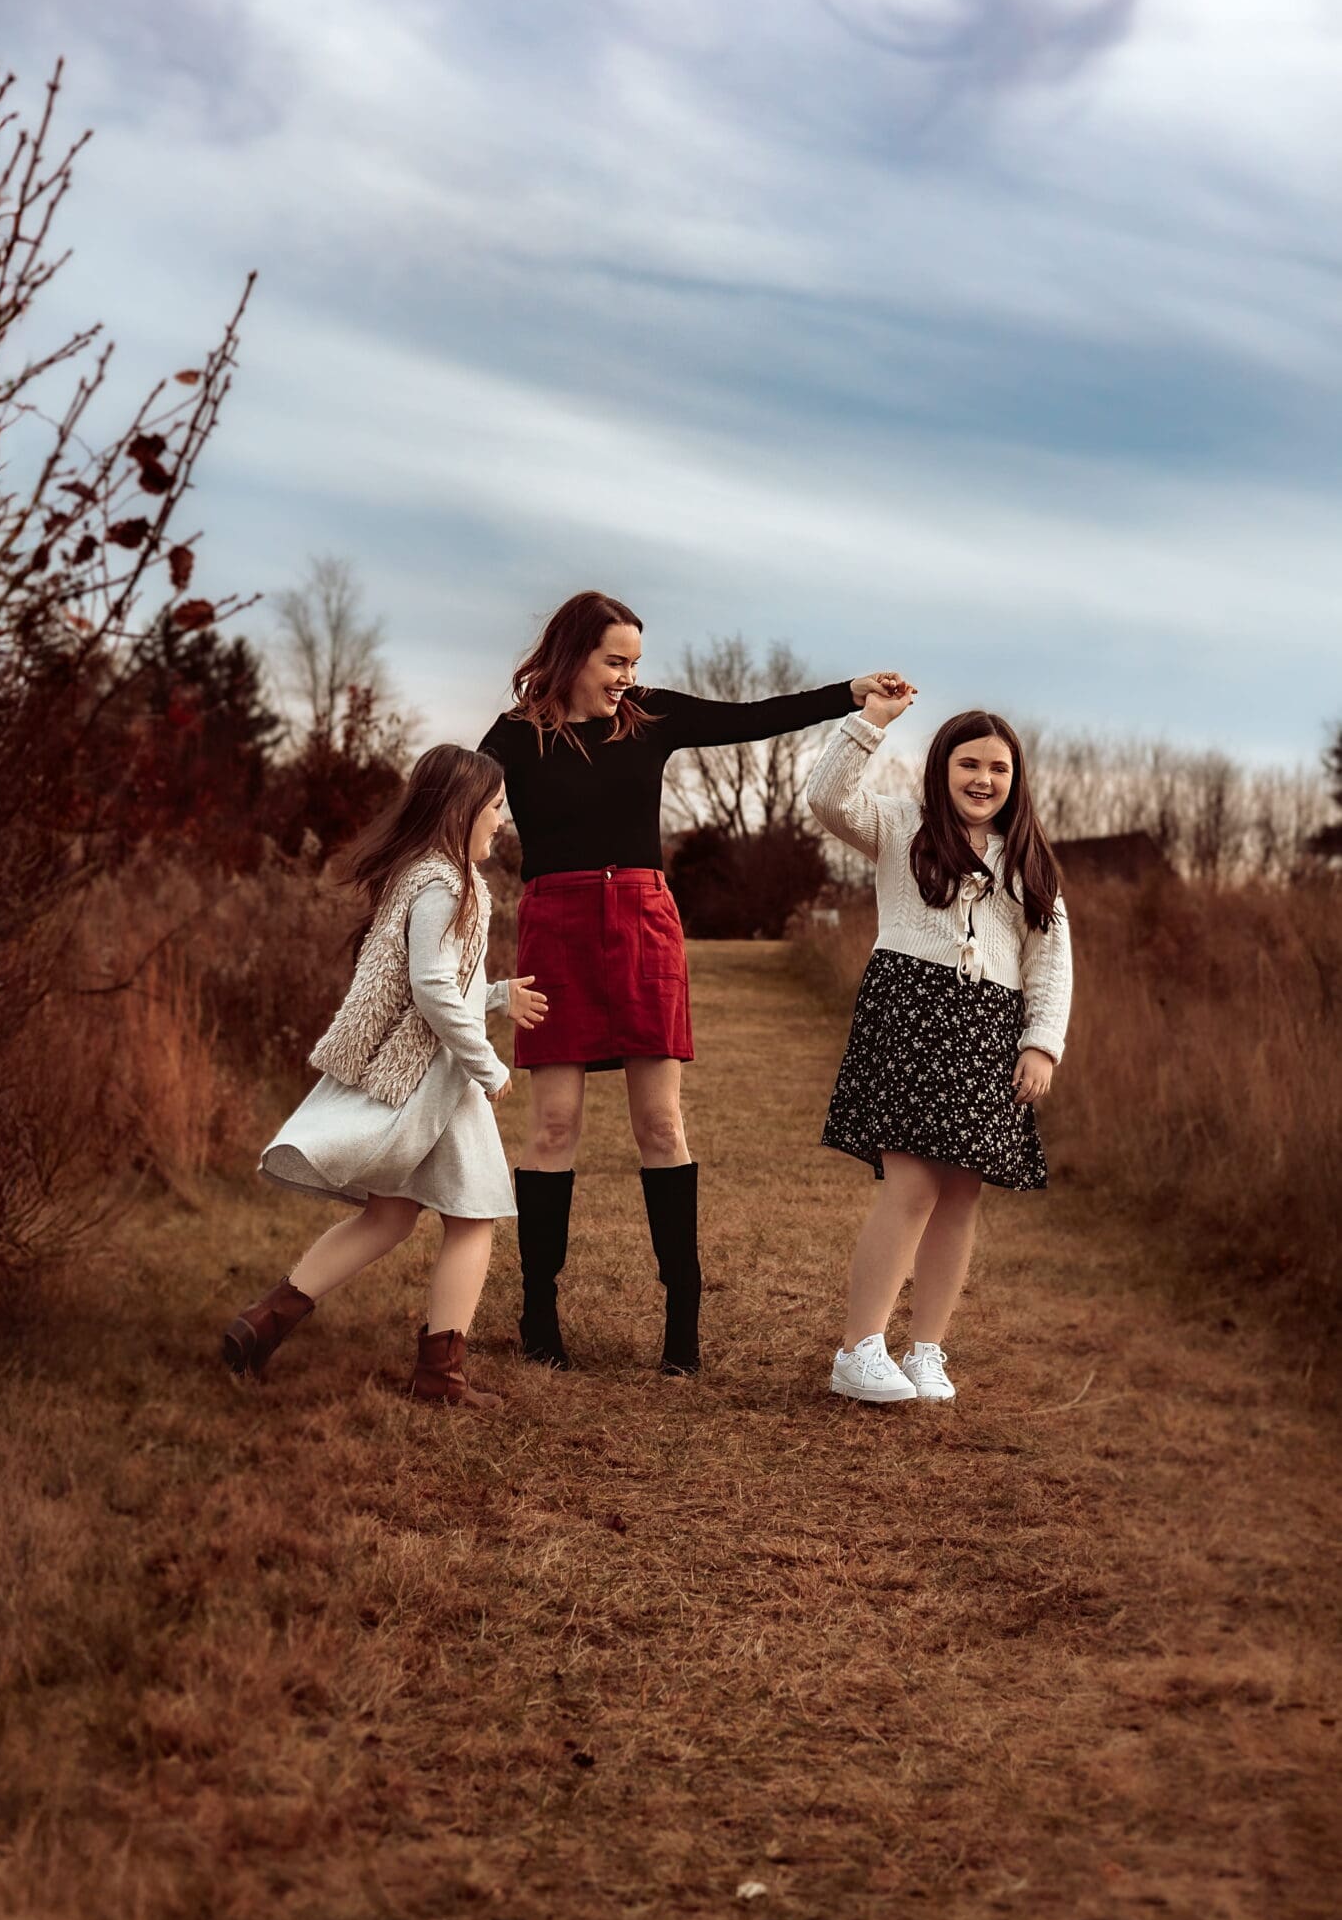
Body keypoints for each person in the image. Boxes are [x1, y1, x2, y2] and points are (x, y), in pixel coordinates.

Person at [479, 588, 900, 1377]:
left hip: (641, 922)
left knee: (661, 1128)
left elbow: (751, 717)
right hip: (556, 929)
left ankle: (682, 1321)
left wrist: (849, 696)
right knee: (552, 1130)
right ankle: (539, 1314)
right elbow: (461, 804)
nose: (626, 677)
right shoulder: (512, 737)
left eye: (634, 662)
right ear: (572, 655)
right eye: (614, 661)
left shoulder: (650, 717)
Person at [223, 744, 547, 1409]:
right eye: (493, 807)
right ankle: (439, 1379)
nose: (500, 819)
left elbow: (431, 981)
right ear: (460, 812)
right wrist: (487, 1066)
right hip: (434, 1076)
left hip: (428, 1072)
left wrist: (494, 995)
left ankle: (262, 1324)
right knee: (474, 1215)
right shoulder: (443, 883)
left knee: (391, 1216)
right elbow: (428, 986)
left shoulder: (425, 874)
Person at [807, 680, 1073, 1405]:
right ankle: (857, 1348)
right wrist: (869, 723)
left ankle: (925, 1350)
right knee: (913, 1184)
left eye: (997, 769)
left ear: (1014, 780)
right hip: (910, 1013)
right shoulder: (899, 825)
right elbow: (825, 798)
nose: (982, 779)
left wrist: (1040, 1043)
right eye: (967, 765)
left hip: (991, 1030)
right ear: (941, 769)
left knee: (959, 1194)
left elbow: (1049, 962)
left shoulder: (1029, 860)